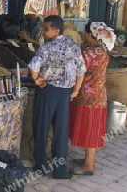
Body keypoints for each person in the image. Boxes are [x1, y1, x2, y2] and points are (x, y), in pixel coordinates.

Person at [28, 15, 86, 179]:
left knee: (41, 128)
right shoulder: (73, 46)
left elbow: (33, 67)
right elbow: (81, 70)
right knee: (60, 132)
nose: (43, 32)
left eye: (46, 29)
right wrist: (75, 90)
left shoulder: (47, 47)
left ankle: (40, 165)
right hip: (65, 94)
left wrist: (37, 79)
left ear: (56, 30)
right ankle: (60, 170)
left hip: (48, 91)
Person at [69, 22, 116, 176]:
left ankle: (88, 166)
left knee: (89, 130)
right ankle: (88, 160)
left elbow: (76, 69)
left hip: (88, 96)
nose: (84, 36)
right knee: (92, 128)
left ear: (91, 35)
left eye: (86, 33)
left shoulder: (89, 54)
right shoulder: (102, 49)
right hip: (98, 95)